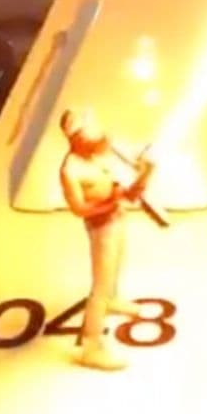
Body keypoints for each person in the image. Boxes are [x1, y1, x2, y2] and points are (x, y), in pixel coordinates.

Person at [58, 109, 148, 371]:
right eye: (89, 136)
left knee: (119, 263)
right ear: (75, 139)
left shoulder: (98, 154)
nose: (97, 138)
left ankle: (113, 300)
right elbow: (79, 208)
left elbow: (125, 172)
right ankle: (91, 347)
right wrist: (108, 206)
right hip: (101, 228)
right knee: (100, 284)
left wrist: (140, 168)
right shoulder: (70, 170)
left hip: (117, 218)